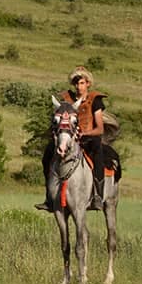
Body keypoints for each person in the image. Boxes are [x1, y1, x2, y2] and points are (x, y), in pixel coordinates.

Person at [36, 66, 116, 212]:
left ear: (88, 84)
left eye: (82, 83)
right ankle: (49, 198)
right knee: (47, 155)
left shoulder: (95, 100)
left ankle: (97, 195)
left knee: (98, 156)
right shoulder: (66, 99)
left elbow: (100, 128)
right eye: (76, 83)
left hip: (89, 138)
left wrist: (85, 134)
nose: (79, 87)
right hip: (69, 138)